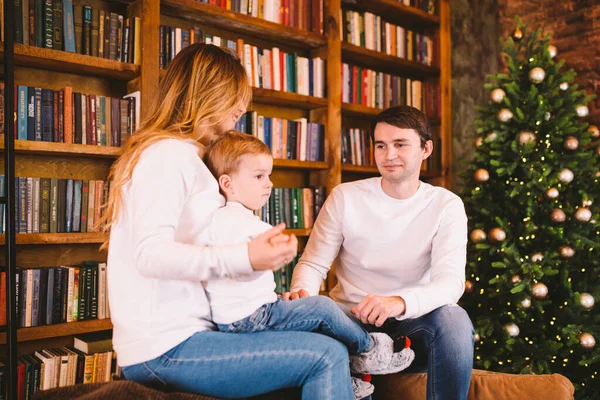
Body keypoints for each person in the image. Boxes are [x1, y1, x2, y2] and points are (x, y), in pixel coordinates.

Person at [102, 43, 355, 400]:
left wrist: (257, 301)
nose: (243, 107)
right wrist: (246, 258)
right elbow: (150, 255)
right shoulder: (166, 155)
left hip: (190, 335)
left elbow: (201, 255)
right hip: (165, 347)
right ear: (207, 92)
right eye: (236, 96)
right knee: (326, 356)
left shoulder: (193, 158)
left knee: (321, 338)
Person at [201, 131, 416, 399]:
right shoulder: (240, 224)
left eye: (269, 175)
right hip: (252, 317)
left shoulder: (223, 220)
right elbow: (234, 268)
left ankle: (343, 377)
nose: (268, 184)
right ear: (227, 183)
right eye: (258, 176)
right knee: (323, 308)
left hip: (247, 313)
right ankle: (370, 349)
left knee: (322, 318)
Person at [286, 105, 474, 400]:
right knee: (319, 312)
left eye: (400, 144)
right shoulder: (346, 197)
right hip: (349, 321)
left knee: (455, 320)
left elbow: (450, 284)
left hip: (410, 325)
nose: (389, 155)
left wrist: (398, 302)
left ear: (426, 149)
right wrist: (301, 293)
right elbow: (312, 264)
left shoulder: (445, 205)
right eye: (381, 145)